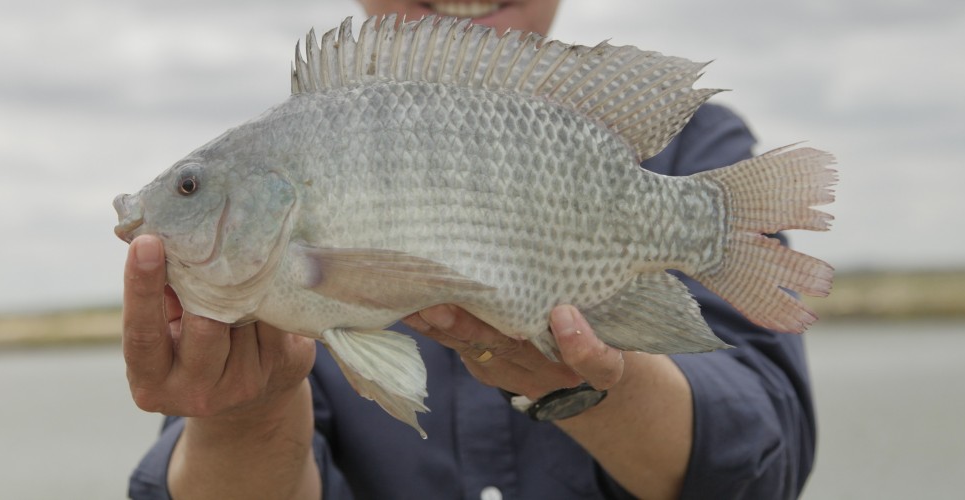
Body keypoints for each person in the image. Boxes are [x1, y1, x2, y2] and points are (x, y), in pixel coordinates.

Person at [123, 1, 815, 498]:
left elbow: (764, 471)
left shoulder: (696, 148)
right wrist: (246, 416)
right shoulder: (284, 147)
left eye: (189, 188)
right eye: (190, 189)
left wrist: (602, 385)